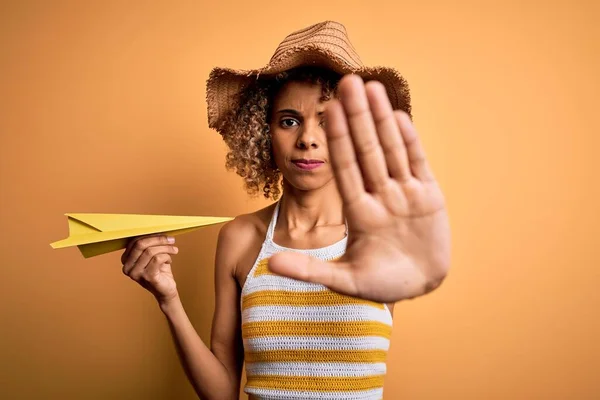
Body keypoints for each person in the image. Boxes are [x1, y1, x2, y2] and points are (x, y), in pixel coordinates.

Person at [120, 21, 450, 400]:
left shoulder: (379, 237)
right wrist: (169, 300)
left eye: (327, 123)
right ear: (264, 134)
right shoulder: (240, 238)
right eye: (289, 121)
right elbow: (222, 391)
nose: (308, 139)